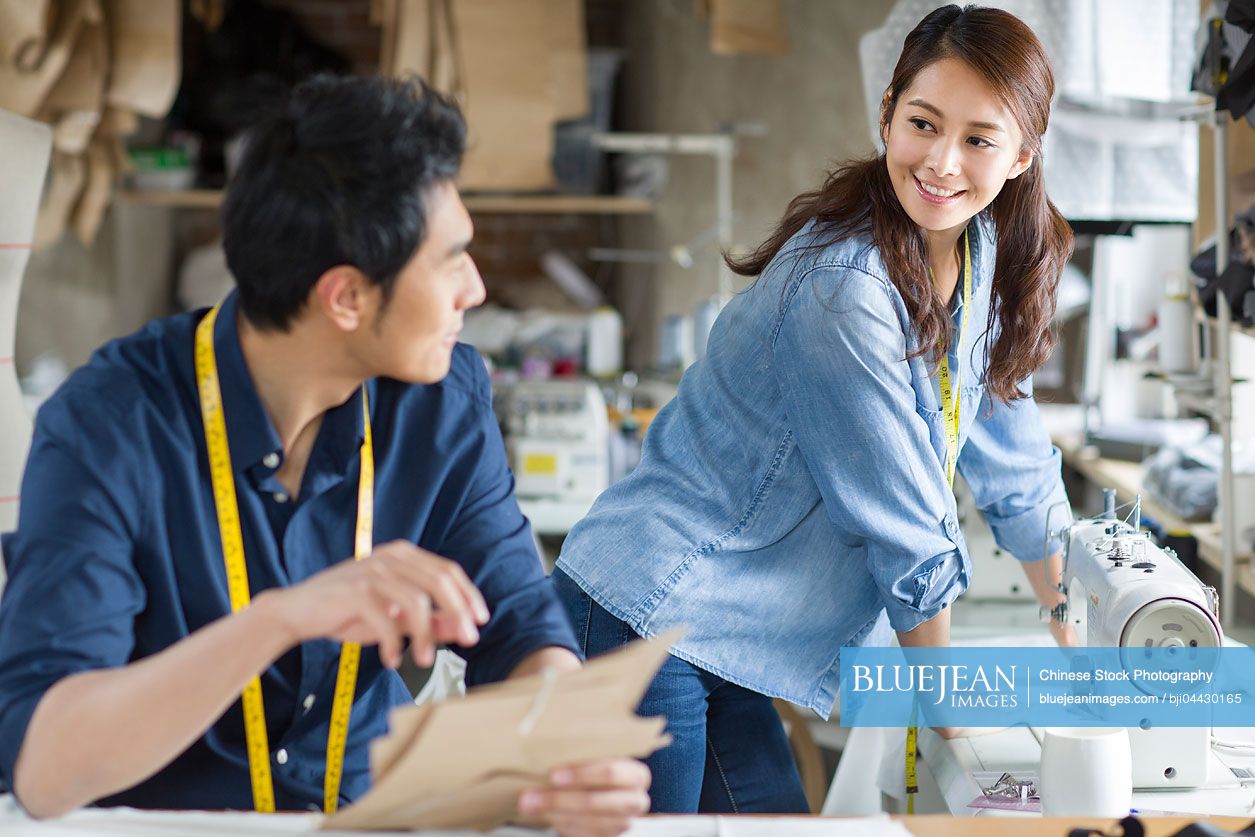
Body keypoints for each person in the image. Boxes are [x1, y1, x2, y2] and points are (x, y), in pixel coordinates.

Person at [0, 75, 649, 836]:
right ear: (345, 297)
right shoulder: (111, 422)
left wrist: (564, 748)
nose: (474, 288)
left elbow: (518, 626)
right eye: (450, 260)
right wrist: (276, 619)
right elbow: (44, 771)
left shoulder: (440, 399)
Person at [552, 4, 1075, 814]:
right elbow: (902, 520)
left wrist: (1072, 631)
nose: (941, 161)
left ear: (1021, 154)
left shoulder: (982, 263)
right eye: (922, 123)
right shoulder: (844, 288)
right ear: (885, 115)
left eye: (978, 138)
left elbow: (1017, 473)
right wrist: (951, 728)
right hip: (645, 609)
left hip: (729, 633)